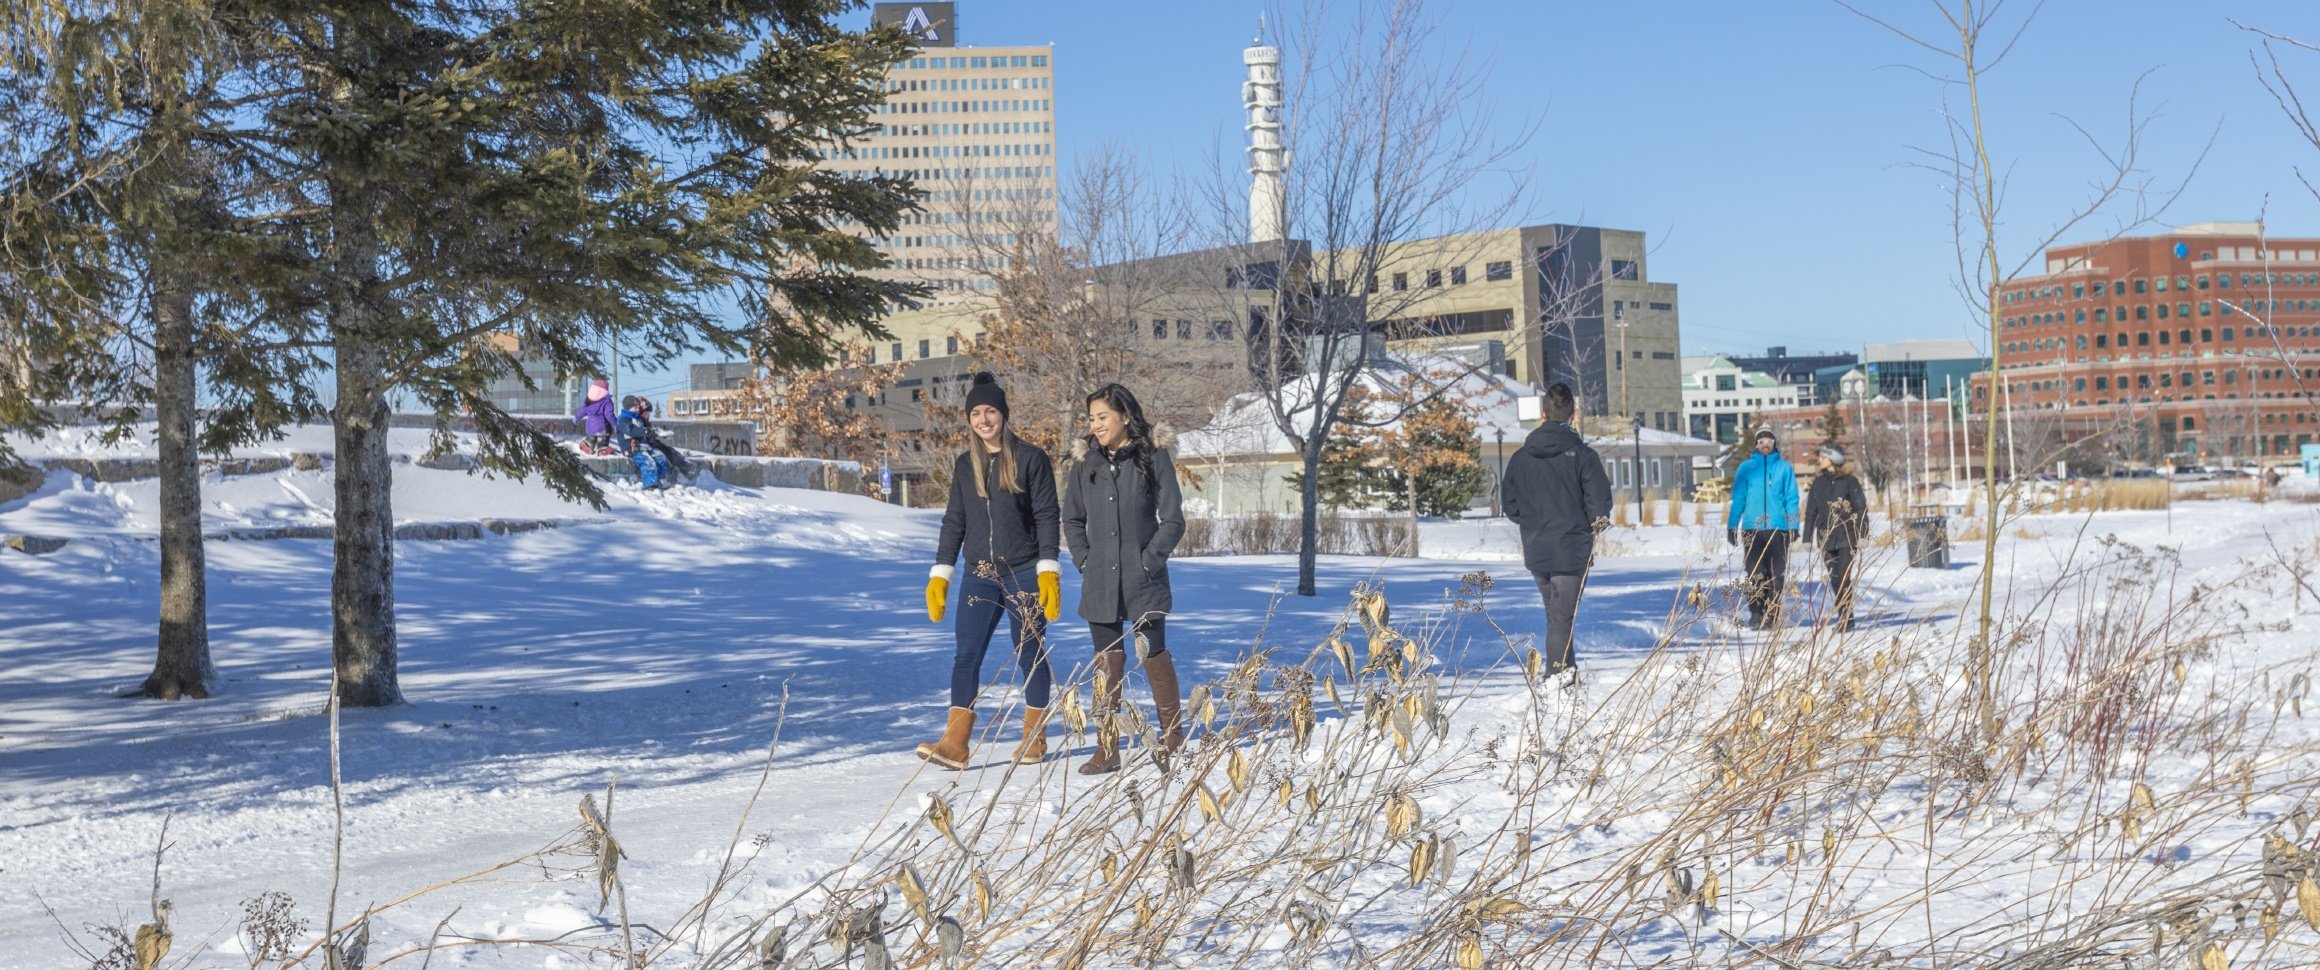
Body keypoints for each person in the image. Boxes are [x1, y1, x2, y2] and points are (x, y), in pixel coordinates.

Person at [917, 373, 1064, 770]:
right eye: (976, 413)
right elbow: (954, 521)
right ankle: (955, 745)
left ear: (1003, 414)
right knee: (966, 655)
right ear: (969, 419)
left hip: (1023, 571)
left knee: (1029, 652)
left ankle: (1034, 738)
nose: (984, 420)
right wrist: (940, 572)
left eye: (991, 411)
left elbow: (1048, 515)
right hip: (979, 573)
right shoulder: (966, 464)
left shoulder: (1031, 459)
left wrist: (1048, 568)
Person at [1062, 383, 1187, 774]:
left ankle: (1172, 735)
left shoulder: (1154, 457)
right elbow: (1072, 518)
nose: (1096, 425)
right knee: (1106, 664)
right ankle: (1108, 746)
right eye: (1092, 418)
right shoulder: (1086, 463)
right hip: (1099, 578)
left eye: (1103, 417)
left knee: (1152, 653)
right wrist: (1084, 560)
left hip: (1143, 578)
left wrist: (1149, 561)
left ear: (1125, 417)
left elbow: (1173, 520)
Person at [1500, 382, 1611, 680]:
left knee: (1558, 615)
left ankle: (1565, 673)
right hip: (1571, 549)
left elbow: (1510, 505)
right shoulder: (1584, 456)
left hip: (1537, 548)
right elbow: (1600, 507)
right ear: (1573, 415)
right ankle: (1557, 677)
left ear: (1542, 413)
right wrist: (1584, 527)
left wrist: (1534, 522)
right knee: (1562, 617)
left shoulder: (1521, 458)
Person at [1726, 428, 1801, 629]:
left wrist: (1793, 524)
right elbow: (1738, 499)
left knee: (1776, 574)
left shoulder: (1784, 469)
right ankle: (1756, 613)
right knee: (1754, 572)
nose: (1765, 444)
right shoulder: (1746, 468)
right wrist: (1732, 526)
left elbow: (1791, 498)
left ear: (1774, 443)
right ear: (1756, 445)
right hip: (1752, 529)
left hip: (1778, 528)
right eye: (1761, 441)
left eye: (1769, 440)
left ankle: (1772, 615)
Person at [1801, 444, 1870, 630]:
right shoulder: (1817, 483)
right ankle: (1845, 615)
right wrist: (1807, 537)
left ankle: (1846, 618)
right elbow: (1810, 513)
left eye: (1823, 456)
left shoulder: (1850, 482)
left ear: (1833, 459)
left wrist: (1862, 533)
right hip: (1826, 538)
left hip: (1847, 537)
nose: (1819, 459)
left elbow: (1860, 508)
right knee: (1835, 578)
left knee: (1843, 577)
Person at [629, 398, 699, 481]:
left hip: (653, 444)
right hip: (645, 446)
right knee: (661, 454)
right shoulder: (637, 422)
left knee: (669, 450)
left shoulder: (646, 422)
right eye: (646, 413)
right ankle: (670, 473)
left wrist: (661, 434)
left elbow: (653, 433)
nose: (647, 415)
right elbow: (641, 435)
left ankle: (687, 468)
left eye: (648, 413)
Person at [615, 395, 672, 490]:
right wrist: (646, 431)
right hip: (631, 448)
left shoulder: (637, 419)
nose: (637, 410)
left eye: (638, 408)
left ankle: (661, 479)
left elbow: (647, 429)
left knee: (659, 456)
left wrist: (657, 431)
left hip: (642, 447)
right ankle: (650, 484)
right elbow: (632, 431)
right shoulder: (623, 420)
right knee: (648, 461)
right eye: (635, 408)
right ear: (628, 407)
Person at [575, 379, 617, 455]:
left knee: (592, 438)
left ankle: (587, 444)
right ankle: (602, 449)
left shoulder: (588, 400)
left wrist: (576, 418)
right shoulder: (607, 401)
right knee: (603, 440)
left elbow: (582, 410)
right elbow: (609, 415)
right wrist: (616, 424)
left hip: (590, 427)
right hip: (603, 427)